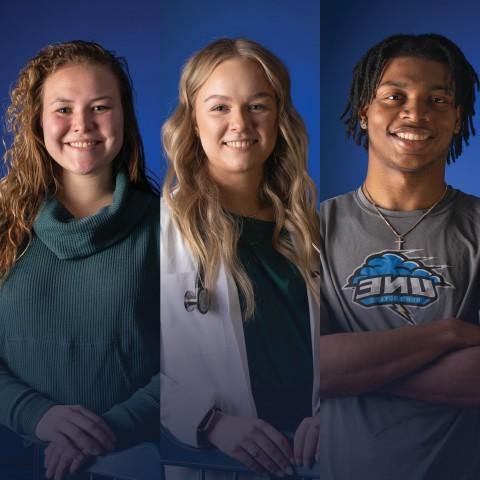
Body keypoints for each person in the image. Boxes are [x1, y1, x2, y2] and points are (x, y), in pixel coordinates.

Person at [319, 33, 480, 480]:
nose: (415, 112)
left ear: (457, 118)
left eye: (438, 99)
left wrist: (352, 374)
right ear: (364, 110)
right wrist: (449, 334)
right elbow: (309, 366)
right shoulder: (313, 228)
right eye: (394, 96)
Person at [0, 40, 160, 480]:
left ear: (124, 116)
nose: (82, 125)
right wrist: (35, 415)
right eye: (63, 109)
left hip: (133, 461)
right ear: (37, 120)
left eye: (100, 107)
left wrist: (109, 430)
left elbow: (195, 361)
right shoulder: (2, 224)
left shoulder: (170, 228)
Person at [160, 38, 320, 477]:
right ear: (191, 120)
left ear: (280, 116)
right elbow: (126, 363)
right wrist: (209, 423)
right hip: (214, 462)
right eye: (219, 107)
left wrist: (335, 411)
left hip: (312, 460)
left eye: (258, 105)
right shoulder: (156, 231)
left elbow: (342, 345)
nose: (240, 123)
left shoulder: (310, 227)